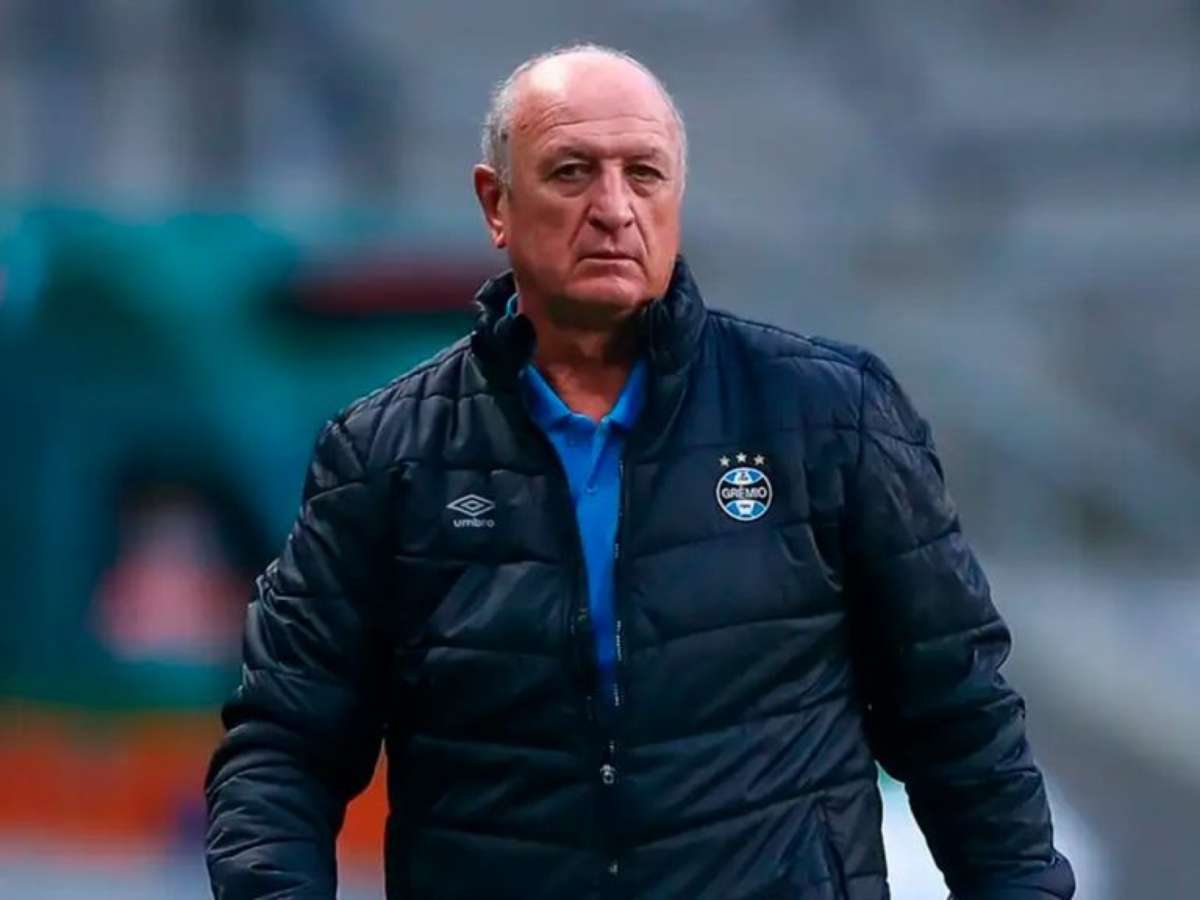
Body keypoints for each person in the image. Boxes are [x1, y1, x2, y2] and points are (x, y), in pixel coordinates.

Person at [205, 44, 1076, 900]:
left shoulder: (830, 418)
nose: (614, 208)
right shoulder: (384, 455)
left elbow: (960, 720)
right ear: (496, 204)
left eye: (644, 174)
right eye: (572, 172)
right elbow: (283, 747)